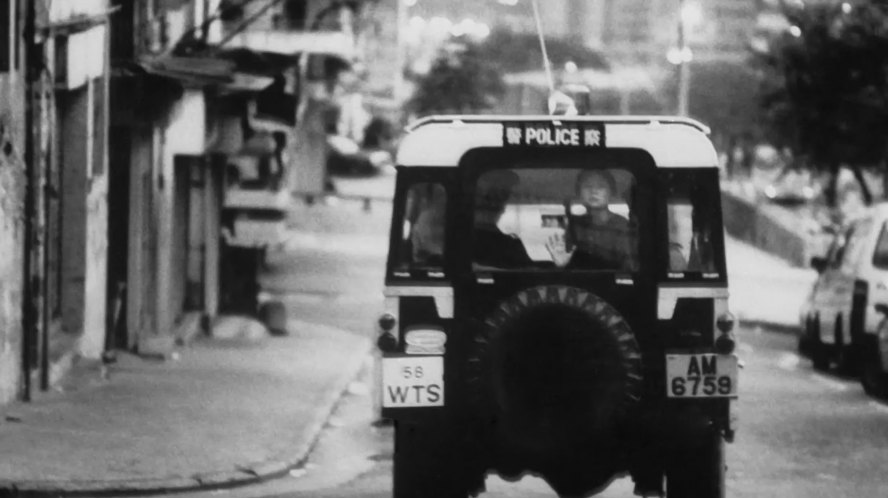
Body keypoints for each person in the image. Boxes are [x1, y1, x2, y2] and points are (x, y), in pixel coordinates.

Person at [546, 169, 638, 270]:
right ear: (579, 193)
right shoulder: (575, 225)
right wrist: (563, 265)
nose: (594, 191)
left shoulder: (622, 225)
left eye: (601, 186)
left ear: (611, 193)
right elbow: (571, 264)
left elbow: (630, 267)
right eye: (588, 186)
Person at [473, 170, 533, 268]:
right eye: (489, 197)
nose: (494, 204)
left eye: (503, 195)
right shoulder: (511, 247)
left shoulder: (511, 246)